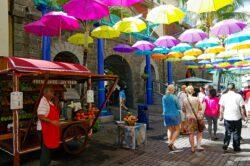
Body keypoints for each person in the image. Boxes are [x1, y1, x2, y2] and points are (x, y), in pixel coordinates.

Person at [219, 83, 247, 152]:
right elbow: (242, 107)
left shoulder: (224, 96)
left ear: (228, 88)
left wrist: (221, 116)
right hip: (237, 117)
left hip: (227, 117)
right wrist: (244, 116)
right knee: (236, 133)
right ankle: (236, 147)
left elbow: (221, 107)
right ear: (234, 88)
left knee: (227, 132)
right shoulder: (238, 96)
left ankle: (226, 144)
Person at [37, 86, 60, 166]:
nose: (53, 93)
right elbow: (40, 116)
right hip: (44, 130)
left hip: (50, 129)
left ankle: (48, 163)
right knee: (45, 151)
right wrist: (52, 121)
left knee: (48, 150)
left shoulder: (49, 102)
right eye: (51, 92)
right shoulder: (42, 102)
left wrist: (56, 102)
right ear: (46, 93)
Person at [182, 85, 205, 153]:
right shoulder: (196, 99)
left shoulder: (185, 100)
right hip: (197, 117)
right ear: (193, 91)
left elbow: (183, 110)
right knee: (199, 132)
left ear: (186, 91)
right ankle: (198, 146)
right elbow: (200, 108)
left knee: (191, 134)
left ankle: (192, 148)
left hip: (189, 118)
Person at [162, 85, 181, 151]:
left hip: (166, 115)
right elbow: (179, 107)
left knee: (170, 130)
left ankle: (170, 143)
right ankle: (171, 142)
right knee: (177, 129)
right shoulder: (174, 97)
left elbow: (163, 106)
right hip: (174, 114)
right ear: (173, 90)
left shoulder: (164, 97)